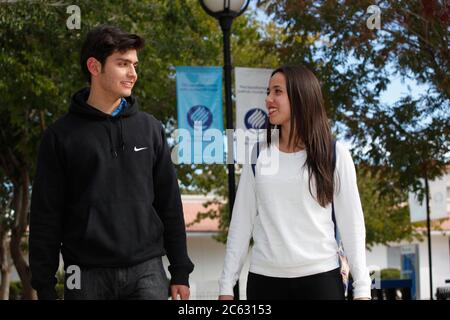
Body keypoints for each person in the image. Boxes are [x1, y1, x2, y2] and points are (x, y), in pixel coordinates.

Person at [29, 25, 194, 300]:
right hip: (84, 275)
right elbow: (46, 215)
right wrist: (44, 286)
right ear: (94, 66)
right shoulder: (60, 136)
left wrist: (180, 271)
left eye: (134, 65)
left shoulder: (150, 128)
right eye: (122, 64)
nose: (133, 74)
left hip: (148, 271)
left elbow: (169, 203)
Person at [218, 65, 372, 300]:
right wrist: (227, 285)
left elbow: (352, 225)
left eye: (277, 92)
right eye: (268, 92)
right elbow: (241, 223)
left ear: (301, 96)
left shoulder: (335, 154)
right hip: (264, 281)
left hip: (321, 280)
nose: (268, 99)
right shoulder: (259, 154)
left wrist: (362, 289)